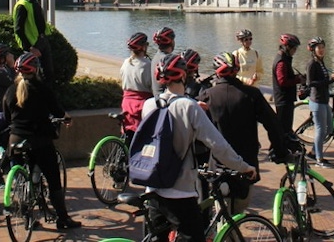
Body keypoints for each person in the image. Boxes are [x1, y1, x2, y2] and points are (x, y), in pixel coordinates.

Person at [142, 53, 257, 242]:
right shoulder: (189, 107)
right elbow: (218, 145)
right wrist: (244, 167)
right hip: (180, 192)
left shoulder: (149, 105)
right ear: (183, 75)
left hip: (152, 188)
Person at [198, 52, 287, 215]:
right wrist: (280, 150)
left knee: (221, 211)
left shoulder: (207, 96)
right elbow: (272, 124)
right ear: (237, 69)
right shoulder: (251, 94)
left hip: (218, 163)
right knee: (239, 210)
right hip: (246, 161)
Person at [2, 52, 80, 231]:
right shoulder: (42, 89)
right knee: (53, 179)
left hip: (15, 141)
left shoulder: (10, 90)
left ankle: (27, 219)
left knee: (22, 179)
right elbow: (57, 111)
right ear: (36, 69)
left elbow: (7, 116)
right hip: (39, 140)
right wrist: (66, 117)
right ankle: (63, 219)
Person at [12, 0, 71, 81]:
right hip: (33, 45)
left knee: (48, 74)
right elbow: (18, 30)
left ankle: (48, 95)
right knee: (35, 75)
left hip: (41, 40)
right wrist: (30, 48)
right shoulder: (22, 6)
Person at [306, 36, 334, 167]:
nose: (321, 50)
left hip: (324, 100)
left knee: (329, 128)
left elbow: (324, 80)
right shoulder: (312, 64)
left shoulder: (321, 62)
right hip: (317, 101)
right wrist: (330, 80)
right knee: (320, 130)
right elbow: (310, 83)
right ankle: (319, 160)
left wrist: (333, 78)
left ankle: (314, 152)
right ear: (313, 50)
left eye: (322, 47)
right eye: (318, 48)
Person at [120, 32, 153, 138]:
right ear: (144, 47)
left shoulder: (125, 63)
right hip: (141, 105)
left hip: (126, 103)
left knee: (128, 133)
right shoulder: (147, 65)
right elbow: (153, 87)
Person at [272, 33, 304, 136]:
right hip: (283, 100)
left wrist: (296, 77)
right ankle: (277, 151)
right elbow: (282, 81)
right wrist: (298, 80)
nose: (295, 51)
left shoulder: (285, 58)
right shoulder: (281, 62)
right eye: (294, 48)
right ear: (287, 47)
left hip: (286, 99)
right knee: (283, 130)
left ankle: (284, 149)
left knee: (286, 128)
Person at [151, 26, 177, 97]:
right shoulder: (167, 60)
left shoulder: (156, 57)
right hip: (166, 99)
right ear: (172, 42)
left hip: (157, 98)